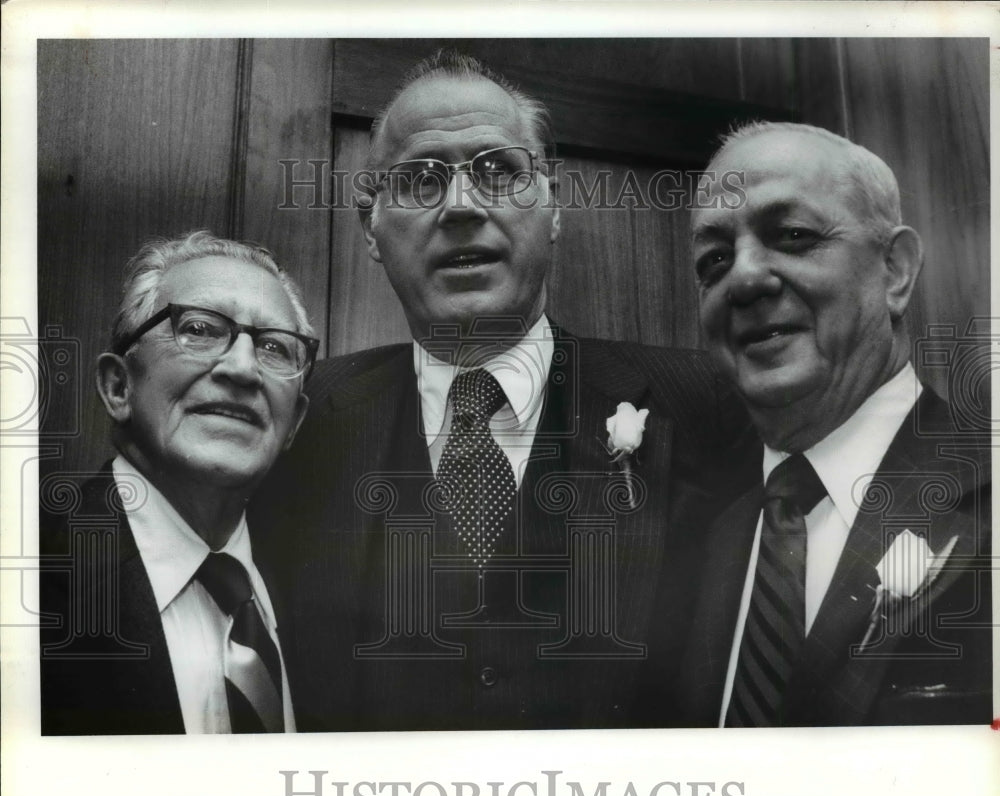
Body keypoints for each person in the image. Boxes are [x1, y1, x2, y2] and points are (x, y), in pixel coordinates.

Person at [250, 50, 755, 731]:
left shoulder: (707, 403)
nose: (461, 206)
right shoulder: (296, 416)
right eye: (422, 180)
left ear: (552, 206)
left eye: (497, 171)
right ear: (371, 226)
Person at [671, 122, 992, 726]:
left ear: (894, 271)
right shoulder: (701, 538)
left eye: (792, 236)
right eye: (714, 260)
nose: (742, 279)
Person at [39, 230, 317, 735]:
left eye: (275, 346)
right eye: (200, 328)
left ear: (294, 423)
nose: (242, 367)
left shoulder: (318, 589)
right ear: (119, 386)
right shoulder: (30, 574)